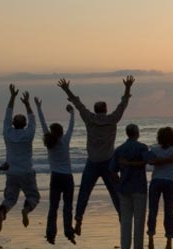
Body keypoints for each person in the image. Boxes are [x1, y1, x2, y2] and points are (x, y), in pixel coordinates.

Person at [57, 76, 134, 235]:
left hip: (92, 162)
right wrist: (127, 88)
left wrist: (66, 89)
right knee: (115, 193)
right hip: (108, 162)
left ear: (95, 110)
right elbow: (123, 104)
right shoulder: (112, 119)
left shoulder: (89, 118)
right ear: (105, 110)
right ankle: (122, 219)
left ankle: (78, 220)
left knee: (84, 193)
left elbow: (78, 104)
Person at [0, 85, 39, 231]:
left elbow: (7, 115)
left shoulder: (8, 133)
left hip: (12, 172)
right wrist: (27, 104)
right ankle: (26, 210)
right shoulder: (28, 134)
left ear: (13, 124)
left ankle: (2, 212)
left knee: (10, 199)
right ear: (24, 125)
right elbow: (33, 119)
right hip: (26, 171)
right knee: (33, 196)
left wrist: (12, 97)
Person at [34, 97, 77, 245]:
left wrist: (38, 107)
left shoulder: (49, 142)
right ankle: (68, 231)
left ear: (52, 132)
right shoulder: (65, 141)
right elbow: (72, 126)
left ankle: (50, 233)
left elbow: (42, 123)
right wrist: (72, 113)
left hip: (56, 177)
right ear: (61, 132)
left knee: (53, 206)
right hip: (67, 177)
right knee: (68, 206)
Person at [146, 115, 173, 249]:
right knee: (168, 211)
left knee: (153, 210)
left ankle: (151, 237)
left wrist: (162, 161)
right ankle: (169, 239)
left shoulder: (154, 149)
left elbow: (150, 162)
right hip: (169, 181)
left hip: (156, 180)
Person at [111, 124, 153, 249]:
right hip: (139, 186)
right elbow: (148, 160)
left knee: (126, 219)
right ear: (137, 133)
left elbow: (112, 170)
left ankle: (125, 248)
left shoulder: (119, 149)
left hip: (124, 187)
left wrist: (119, 184)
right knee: (139, 220)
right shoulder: (141, 147)